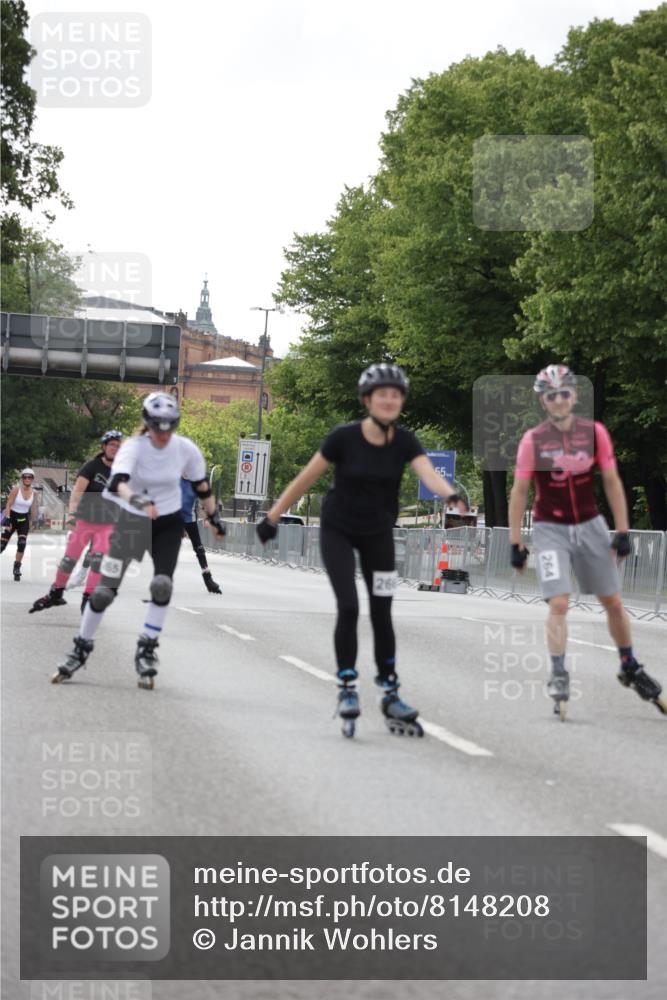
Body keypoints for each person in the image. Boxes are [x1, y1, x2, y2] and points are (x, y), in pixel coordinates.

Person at [256, 362, 467, 737]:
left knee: (382, 612)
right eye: (382, 394)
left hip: (378, 535)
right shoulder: (344, 437)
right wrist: (272, 517)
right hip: (338, 530)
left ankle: (390, 693)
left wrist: (450, 494)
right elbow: (306, 478)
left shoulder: (405, 441)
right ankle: (347, 686)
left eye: (396, 395)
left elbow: (428, 473)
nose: (389, 400)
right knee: (350, 606)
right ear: (367, 400)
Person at [509, 364, 663, 718]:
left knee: (613, 601)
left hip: (590, 525)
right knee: (559, 603)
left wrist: (622, 531)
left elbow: (611, 481)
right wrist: (516, 543)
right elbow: (519, 491)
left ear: (574, 396)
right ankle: (558, 671)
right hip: (550, 528)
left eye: (565, 393)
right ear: (543, 401)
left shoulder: (594, 433)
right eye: (551, 395)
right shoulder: (533, 440)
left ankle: (629, 665)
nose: (559, 400)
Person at [52, 393, 226, 688]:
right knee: (104, 592)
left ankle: (147, 649)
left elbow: (201, 486)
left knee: (162, 585)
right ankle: (80, 647)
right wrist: (139, 501)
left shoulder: (185, 449)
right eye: (158, 427)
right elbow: (117, 483)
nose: (163, 434)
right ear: (148, 424)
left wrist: (215, 518)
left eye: (170, 427)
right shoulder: (133, 448)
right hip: (132, 521)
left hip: (167, 523)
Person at [30, 431, 123, 615]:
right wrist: (72, 514)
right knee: (68, 561)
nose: (115, 448)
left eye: (118, 446)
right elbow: (77, 493)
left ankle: (88, 598)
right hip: (85, 521)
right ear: (104, 446)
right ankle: (56, 592)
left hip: (107, 524)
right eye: (112, 445)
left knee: (98, 560)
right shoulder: (92, 467)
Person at [180, 477, 222, 594]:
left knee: (199, 549)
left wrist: (206, 517)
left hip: (190, 519)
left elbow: (204, 500)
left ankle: (208, 580)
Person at [1, 468, 36, 580]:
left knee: (22, 543)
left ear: (32, 479)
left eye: (29, 477)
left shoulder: (34, 493)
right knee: (2, 546)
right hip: (12, 518)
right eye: (25, 477)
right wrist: (7, 519)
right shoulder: (16, 490)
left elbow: (33, 508)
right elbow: (8, 505)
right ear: (22, 478)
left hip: (23, 520)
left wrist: (33, 520)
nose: (27, 479)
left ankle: (17, 567)